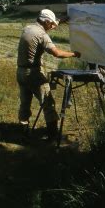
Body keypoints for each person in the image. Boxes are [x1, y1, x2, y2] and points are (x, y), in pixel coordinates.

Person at [17, 8, 80, 142]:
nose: (52, 27)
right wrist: (74, 54)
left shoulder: (29, 28)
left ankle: (23, 130)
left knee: (24, 103)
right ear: (45, 22)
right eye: (50, 24)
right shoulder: (41, 35)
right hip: (33, 74)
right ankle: (53, 136)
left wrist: (60, 20)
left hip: (21, 72)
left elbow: (48, 27)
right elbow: (56, 53)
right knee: (48, 103)